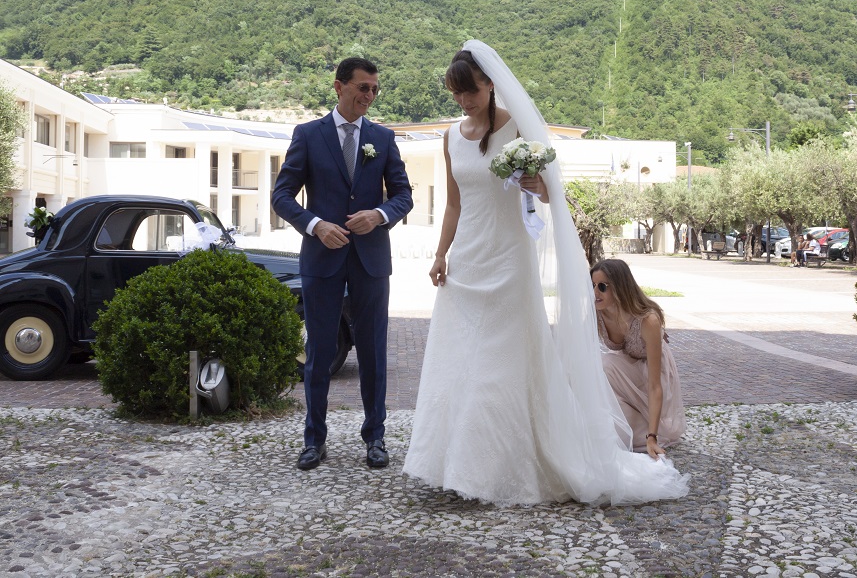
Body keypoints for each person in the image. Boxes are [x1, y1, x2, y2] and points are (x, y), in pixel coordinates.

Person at [403, 40, 689, 506]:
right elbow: (454, 203)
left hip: (509, 260)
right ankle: (454, 464)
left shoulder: (520, 129)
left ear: (490, 84)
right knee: (458, 360)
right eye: (456, 95)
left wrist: (537, 184)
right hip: (468, 260)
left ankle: (494, 471)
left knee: (499, 367)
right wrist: (440, 254)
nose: (464, 102)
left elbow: (553, 197)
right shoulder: (451, 136)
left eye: (470, 92)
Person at [272, 57, 413, 471]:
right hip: (322, 259)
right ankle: (314, 440)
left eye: (375, 89)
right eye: (362, 88)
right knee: (317, 351)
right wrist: (314, 225)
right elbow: (282, 196)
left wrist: (380, 215)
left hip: (371, 260)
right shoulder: (308, 135)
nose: (369, 96)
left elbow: (403, 195)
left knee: (373, 351)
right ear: (339, 87)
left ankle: (376, 438)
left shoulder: (383, 139)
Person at [590, 259, 686, 459]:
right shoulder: (596, 312)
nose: (595, 293)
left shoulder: (647, 320)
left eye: (602, 287)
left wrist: (651, 437)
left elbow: (655, 385)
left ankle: (649, 431)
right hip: (628, 366)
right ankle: (630, 424)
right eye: (591, 285)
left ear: (619, 287)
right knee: (601, 369)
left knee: (605, 364)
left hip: (653, 373)